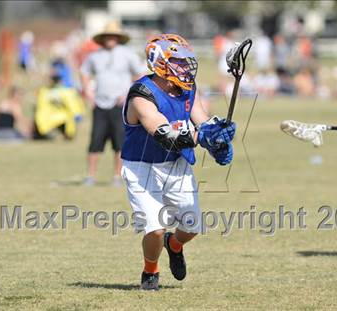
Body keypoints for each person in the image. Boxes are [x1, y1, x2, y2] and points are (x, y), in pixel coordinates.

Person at [120, 34, 236, 290]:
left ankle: (175, 245)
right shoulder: (142, 93)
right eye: (179, 62)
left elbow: (202, 120)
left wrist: (217, 138)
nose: (186, 67)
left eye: (186, 62)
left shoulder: (187, 88)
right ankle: (150, 271)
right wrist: (201, 137)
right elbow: (164, 134)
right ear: (159, 63)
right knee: (156, 228)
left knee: (192, 226)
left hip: (176, 165)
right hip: (142, 168)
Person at [80, 22, 145, 186]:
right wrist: (88, 92)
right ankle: (90, 176)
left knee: (120, 141)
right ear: (103, 38)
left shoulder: (127, 54)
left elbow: (139, 74)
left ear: (118, 38)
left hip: (119, 105)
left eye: (113, 36)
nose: (110, 39)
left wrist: (128, 94)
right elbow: (84, 73)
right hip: (100, 105)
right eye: (107, 35)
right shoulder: (94, 56)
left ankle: (117, 176)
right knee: (96, 141)